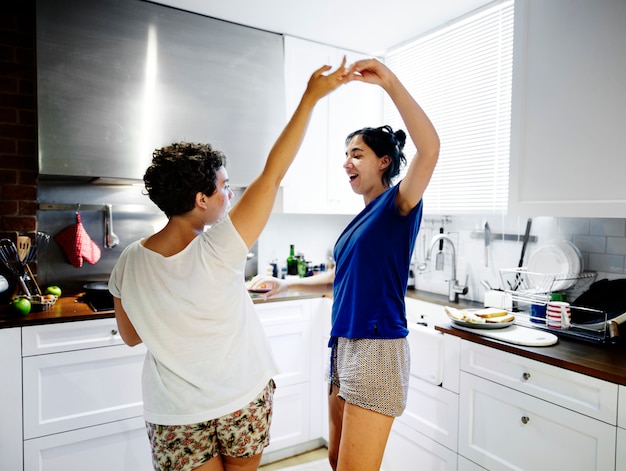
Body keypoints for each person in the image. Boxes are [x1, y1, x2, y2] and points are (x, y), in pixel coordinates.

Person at [108, 58, 351, 471]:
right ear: (201, 199)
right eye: (224, 186)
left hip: (175, 415)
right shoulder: (219, 248)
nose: (230, 195)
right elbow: (273, 176)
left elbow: (132, 336)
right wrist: (311, 98)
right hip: (242, 399)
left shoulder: (128, 263)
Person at [249, 58, 440, 471]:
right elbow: (341, 279)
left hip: (377, 347)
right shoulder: (361, 218)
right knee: (337, 460)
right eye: (346, 155)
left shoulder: (399, 204)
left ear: (383, 161)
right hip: (344, 346)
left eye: (357, 154)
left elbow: (431, 148)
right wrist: (285, 287)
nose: (346, 163)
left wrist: (388, 82)